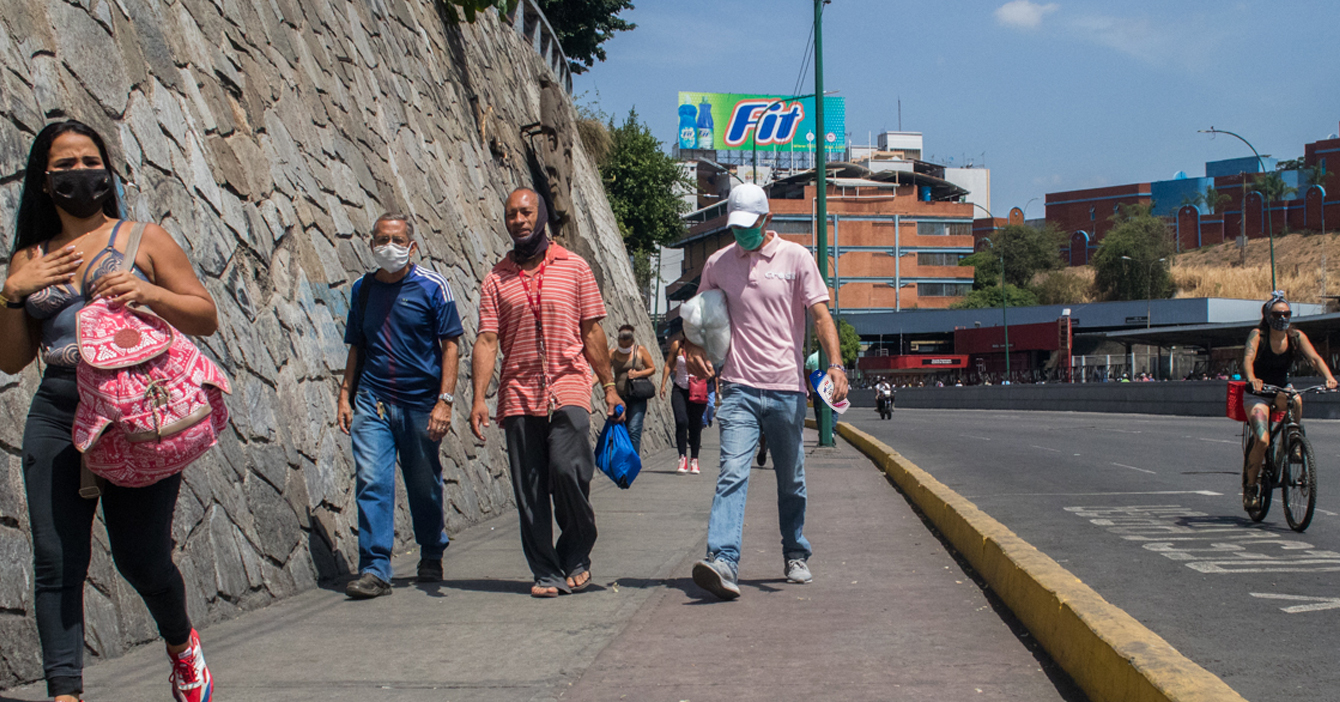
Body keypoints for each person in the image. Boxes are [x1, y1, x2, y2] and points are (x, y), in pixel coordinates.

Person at [1, 120, 218, 702]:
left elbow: (204, 314)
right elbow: (12, 359)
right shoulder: (30, 256)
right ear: (44, 182)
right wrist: (11, 292)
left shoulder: (143, 239)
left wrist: (149, 293)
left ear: (106, 171)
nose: (79, 174)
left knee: (141, 559)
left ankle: (180, 643)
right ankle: (64, 693)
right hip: (58, 410)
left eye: (89, 162)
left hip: (133, 414)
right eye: (64, 166)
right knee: (56, 560)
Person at [684, 183, 848, 600]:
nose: (741, 235)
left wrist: (836, 364)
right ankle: (723, 560)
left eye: (748, 226)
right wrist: (693, 350)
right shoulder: (718, 263)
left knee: (790, 479)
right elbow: (699, 318)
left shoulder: (796, 258)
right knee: (732, 473)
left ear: (766, 219)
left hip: (786, 390)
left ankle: (795, 551)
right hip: (738, 388)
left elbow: (821, 315)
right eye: (735, 227)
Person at [470, 188, 622, 598]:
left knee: (568, 470)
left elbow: (592, 331)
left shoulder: (575, 268)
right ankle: (546, 571)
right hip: (518, 391)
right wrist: (478, 398)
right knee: (531, 487)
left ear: (541, 218)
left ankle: (576, 553)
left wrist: (608, 385)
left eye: (526, 212)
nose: (518, 220)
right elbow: (486, 340)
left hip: (568, 384)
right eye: (511, 214)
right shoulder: (495, 279)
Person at [336, 213, 463, 599]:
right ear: (371, 243)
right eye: (381, 239)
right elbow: (357, 343)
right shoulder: (363, 289)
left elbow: (451, 346)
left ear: (412, 245)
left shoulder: (432, 287)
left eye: (396, 239)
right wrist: (346, 394)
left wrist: (445, 401)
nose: (388, 246)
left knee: (423, 485)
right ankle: (375, 568)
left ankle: (431, 549)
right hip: (373, 401)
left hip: (421, 403)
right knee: (372, 480)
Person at [1240, 293, 1337, 509]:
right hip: (1257, 393)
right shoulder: (1258, 335)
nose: (1282, 318)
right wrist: (1252, 378)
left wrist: (1329, 377)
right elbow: (1247, 359)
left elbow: (1314, 359)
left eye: (1286, 314)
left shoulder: (1296, 337)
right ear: (1267, 315)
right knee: (1263, 440)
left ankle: (1292, 442)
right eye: (1277, 314)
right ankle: (1250, 487)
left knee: (1297, 400)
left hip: (1280, 389)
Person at [660, 334, 707, 474]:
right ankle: (682, 457)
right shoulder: (677, 346)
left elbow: (709, 367)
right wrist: (663, 384)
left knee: (695, 425)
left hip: (697, 390)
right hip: (680, 389)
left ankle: (694, 459)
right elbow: (669, 364)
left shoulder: (702, 346)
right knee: (681, 421)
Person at [610, 324, 657, 454]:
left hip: (637, 397)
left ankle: (632, 463)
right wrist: (591, 385)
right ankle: (621, 462)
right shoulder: (613, 353)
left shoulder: (640, 350)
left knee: (633, 430)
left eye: (627, 345)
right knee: (620, 430)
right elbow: (602, 372)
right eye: (622, 345)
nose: (624, 348)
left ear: (632, 342)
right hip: (619, 398)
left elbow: (652, 368)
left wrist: (638, 374)